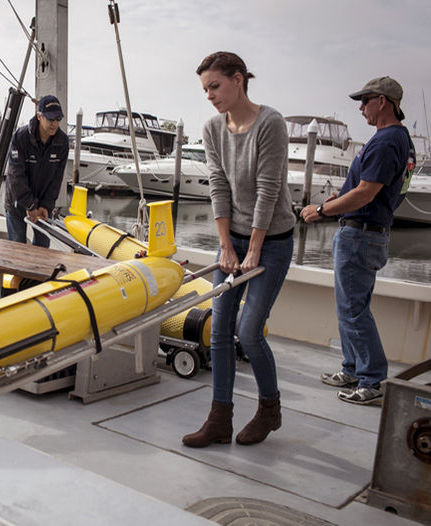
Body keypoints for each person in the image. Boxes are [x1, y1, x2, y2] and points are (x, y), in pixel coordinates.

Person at [182, 52, 295, 448]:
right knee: (219, 330)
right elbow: (218, 185)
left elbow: (268, 189)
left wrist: (254, 250)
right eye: (205, 90)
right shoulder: (212, 128)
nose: (209, 95)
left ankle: (269, 409)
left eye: (215, 86)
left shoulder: (271, 123)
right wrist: (226, 246)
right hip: (234, 241)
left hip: (273, 242)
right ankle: (219, 419)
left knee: (249, 332)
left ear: (238, 80)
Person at [300, 76, 415, 406]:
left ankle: (373, 380)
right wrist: (342, 198)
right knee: (349, 306)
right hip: (368, 234)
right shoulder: (399, 139)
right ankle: (352, 368)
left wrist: (322, 209)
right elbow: (375, 188)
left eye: (364, 101)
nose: (361, 108)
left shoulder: (386, 140)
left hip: (360, 235)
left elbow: (367, 193)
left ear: (383, 101)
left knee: (353, 310)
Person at [4, 95, 69, 247]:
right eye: (51, 119)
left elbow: (57, 179)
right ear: (39, 116)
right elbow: (16, 176)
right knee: (17, 250)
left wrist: (45, 205)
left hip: (43, 207)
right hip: (17, 204)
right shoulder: (20, 138)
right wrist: (29, 205)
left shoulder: (62, 142)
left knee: (42, 250)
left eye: (58, 119)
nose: (55, 123)